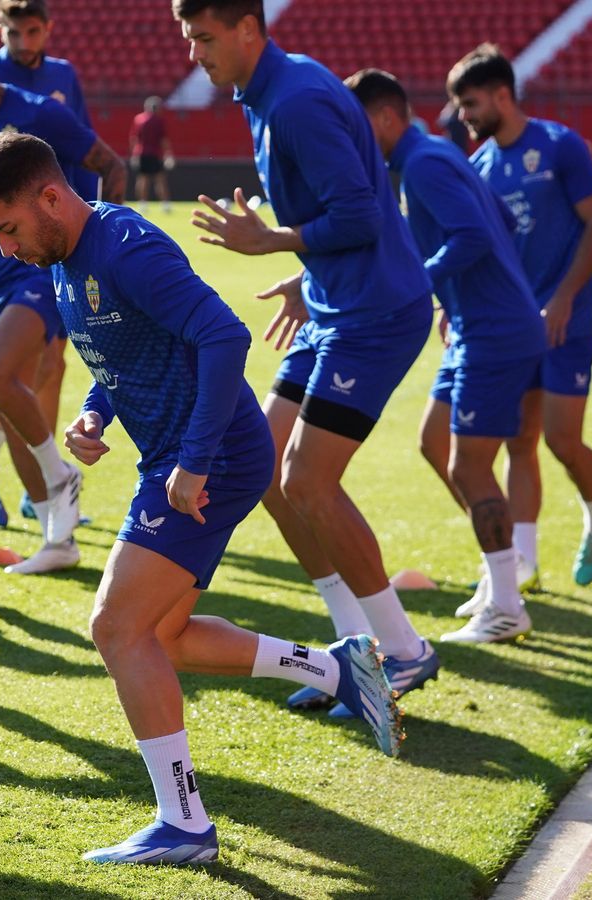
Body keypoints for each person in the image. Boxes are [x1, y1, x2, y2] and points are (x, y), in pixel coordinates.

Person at [0, 131, 401, 865]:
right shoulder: (65, 260)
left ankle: (185, 824)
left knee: (116, 628)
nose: (5, 250)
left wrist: (195, 462)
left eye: (8, 230)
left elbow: (223, 335)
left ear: (50, 197)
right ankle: (337, 670)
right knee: (161, 636)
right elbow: (126, 351)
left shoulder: (124, 247)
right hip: (181, 458)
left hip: (210, 457)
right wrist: (94, 414)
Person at [176, 0, 441, 707]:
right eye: (189, 38)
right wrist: (305, 274)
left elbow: (359, 215)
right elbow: (343, 210)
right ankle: (356, 648)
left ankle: (404, 649)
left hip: (374, 314)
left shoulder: (294, 101)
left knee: (308, 481)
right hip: (333, 304)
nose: (195, 54)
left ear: (247, 29)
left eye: (204, 37)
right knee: (264, 468)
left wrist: (273, 242)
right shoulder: (269, 91)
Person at [348, 69, 545, 644]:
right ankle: (500, 571)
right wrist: (454, 295)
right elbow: (499, 220)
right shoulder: (436, 154)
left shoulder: (425, 164)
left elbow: (474, 235)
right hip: (475, 324)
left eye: (356, 125)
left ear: (386, 117)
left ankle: (507, 605)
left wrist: (423, 282)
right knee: (435, 441)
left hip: (494, 331)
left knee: (469, 465)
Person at [0, 18, 128, 574]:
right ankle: (58, 537)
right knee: (14, 401)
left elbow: (109, 165)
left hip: (44, 272)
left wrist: (105, 247)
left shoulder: (39, 113)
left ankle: (60, 477)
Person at [451, 44, 592, 589]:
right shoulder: (479, 167)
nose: (464, 116)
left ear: (502, 95)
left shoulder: (559, 145)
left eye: (471, 103)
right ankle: (524, 563)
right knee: (519, 441)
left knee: (562, 441)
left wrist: (565, 296)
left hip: (569, 321)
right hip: (515, 329)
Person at [0, 0, 94, 527]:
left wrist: (90, 225)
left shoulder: (63, 77)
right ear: (0, 30)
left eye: (33, 31)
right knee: (10, 371)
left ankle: (24, 487)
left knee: (49, 365)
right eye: (15, 33)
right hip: (11, 248)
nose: (25, 42)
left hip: (56, 239)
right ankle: (3, 478)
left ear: (48, 29)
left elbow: (84, 151)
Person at [129, 96, 173, 211]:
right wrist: (168, 154)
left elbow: (134, 138)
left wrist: (134, 154)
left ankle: (143, 204)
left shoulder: (138, 119)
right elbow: (163, 140)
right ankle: (165, 204)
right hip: (155, 153)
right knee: (160, 179)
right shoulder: (159, 120)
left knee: (143, 179)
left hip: (141, 153)